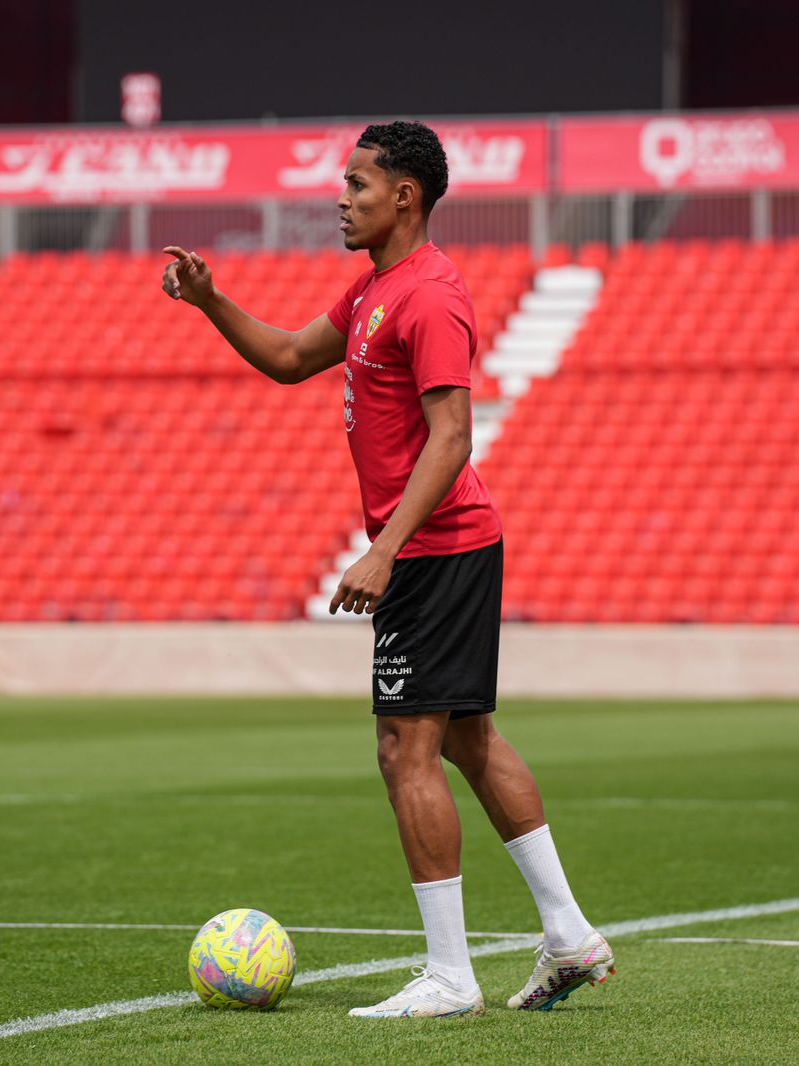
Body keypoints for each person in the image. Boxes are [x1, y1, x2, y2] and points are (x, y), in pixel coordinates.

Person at [161, 120, 612, 1018]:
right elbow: (290, 358)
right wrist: (212, 302)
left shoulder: (430, 296)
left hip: (436, 550)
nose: (343, 199)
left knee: (404, 748)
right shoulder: (375, 287)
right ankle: (567, 937)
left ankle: (449, 977)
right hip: (445, 547)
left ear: (404, 196)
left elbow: (453, 436)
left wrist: (384, 547)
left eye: (359, 186)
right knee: (467, 741)